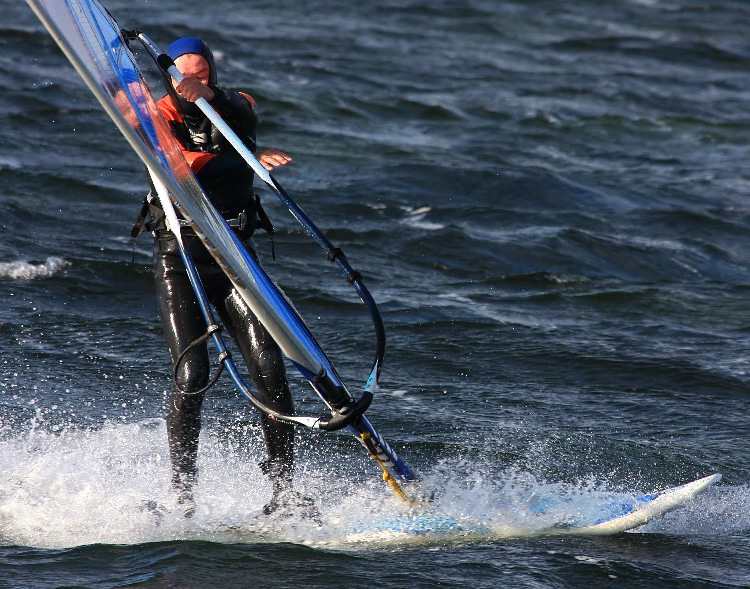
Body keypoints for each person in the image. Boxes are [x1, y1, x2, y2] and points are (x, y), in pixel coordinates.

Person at [137, 37, 301, 517]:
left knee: (270, 367)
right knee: (194, 373)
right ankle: (182, 497)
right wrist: (247, 159)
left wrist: (210, 99)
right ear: (170, 80)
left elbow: (242, 113)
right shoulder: (156, 115)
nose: (192, 82)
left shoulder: (237, 105)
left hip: (235, 254)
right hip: (180, 256)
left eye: (201, 74)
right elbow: (179, 167)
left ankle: (284, 494)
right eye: (184, 76)